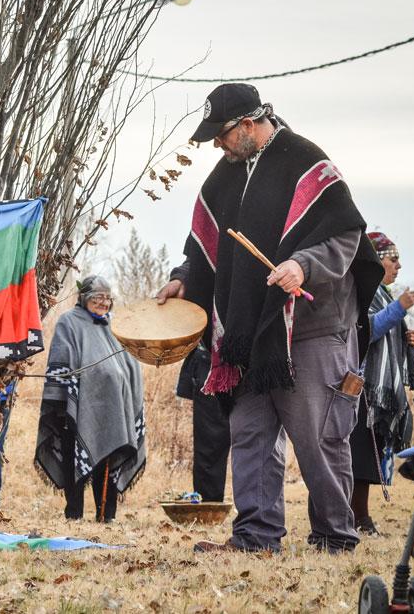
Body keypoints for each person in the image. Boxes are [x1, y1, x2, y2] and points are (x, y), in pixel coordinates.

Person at [157, 83, 383, 554]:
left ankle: (334, 535)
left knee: (319, 438)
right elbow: (206, 248)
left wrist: (304, 265)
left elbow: (345, 239)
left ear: (247, 124)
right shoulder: (225, 176)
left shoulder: (307, 162)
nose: (217, 145)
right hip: (248, 335)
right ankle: (256, 535)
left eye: (220, 134)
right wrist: (183, 278)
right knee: (250, 436)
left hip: (313, 329)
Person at [35, 275, 145, 522]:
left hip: (114, 410)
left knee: (109, 457)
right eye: (98, 298)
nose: (104, 303)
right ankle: (74, 513)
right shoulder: (69, 323)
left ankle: (106, 515)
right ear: (84, 298)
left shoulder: (115, 326)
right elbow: (64, 361)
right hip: (75, 408)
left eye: (108, 298)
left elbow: (130, 362)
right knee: (75, 456)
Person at [349, 232, 414, 535]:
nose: (399, 266)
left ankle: (360, 517)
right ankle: (358, 518)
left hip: (376, 391)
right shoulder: (363, 291)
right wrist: (399, 308)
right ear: (377, 261)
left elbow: (387, 341)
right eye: (393, 259)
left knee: (368, 454)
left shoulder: (383, 294)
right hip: (362, 389)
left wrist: (409, 343)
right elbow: (366, 330)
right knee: (359, 455)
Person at [175, 345, 231, 502]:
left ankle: (257, 510)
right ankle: (208, 504)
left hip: (251, 358)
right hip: (211, 360)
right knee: (210, 440)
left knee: (254, 439)